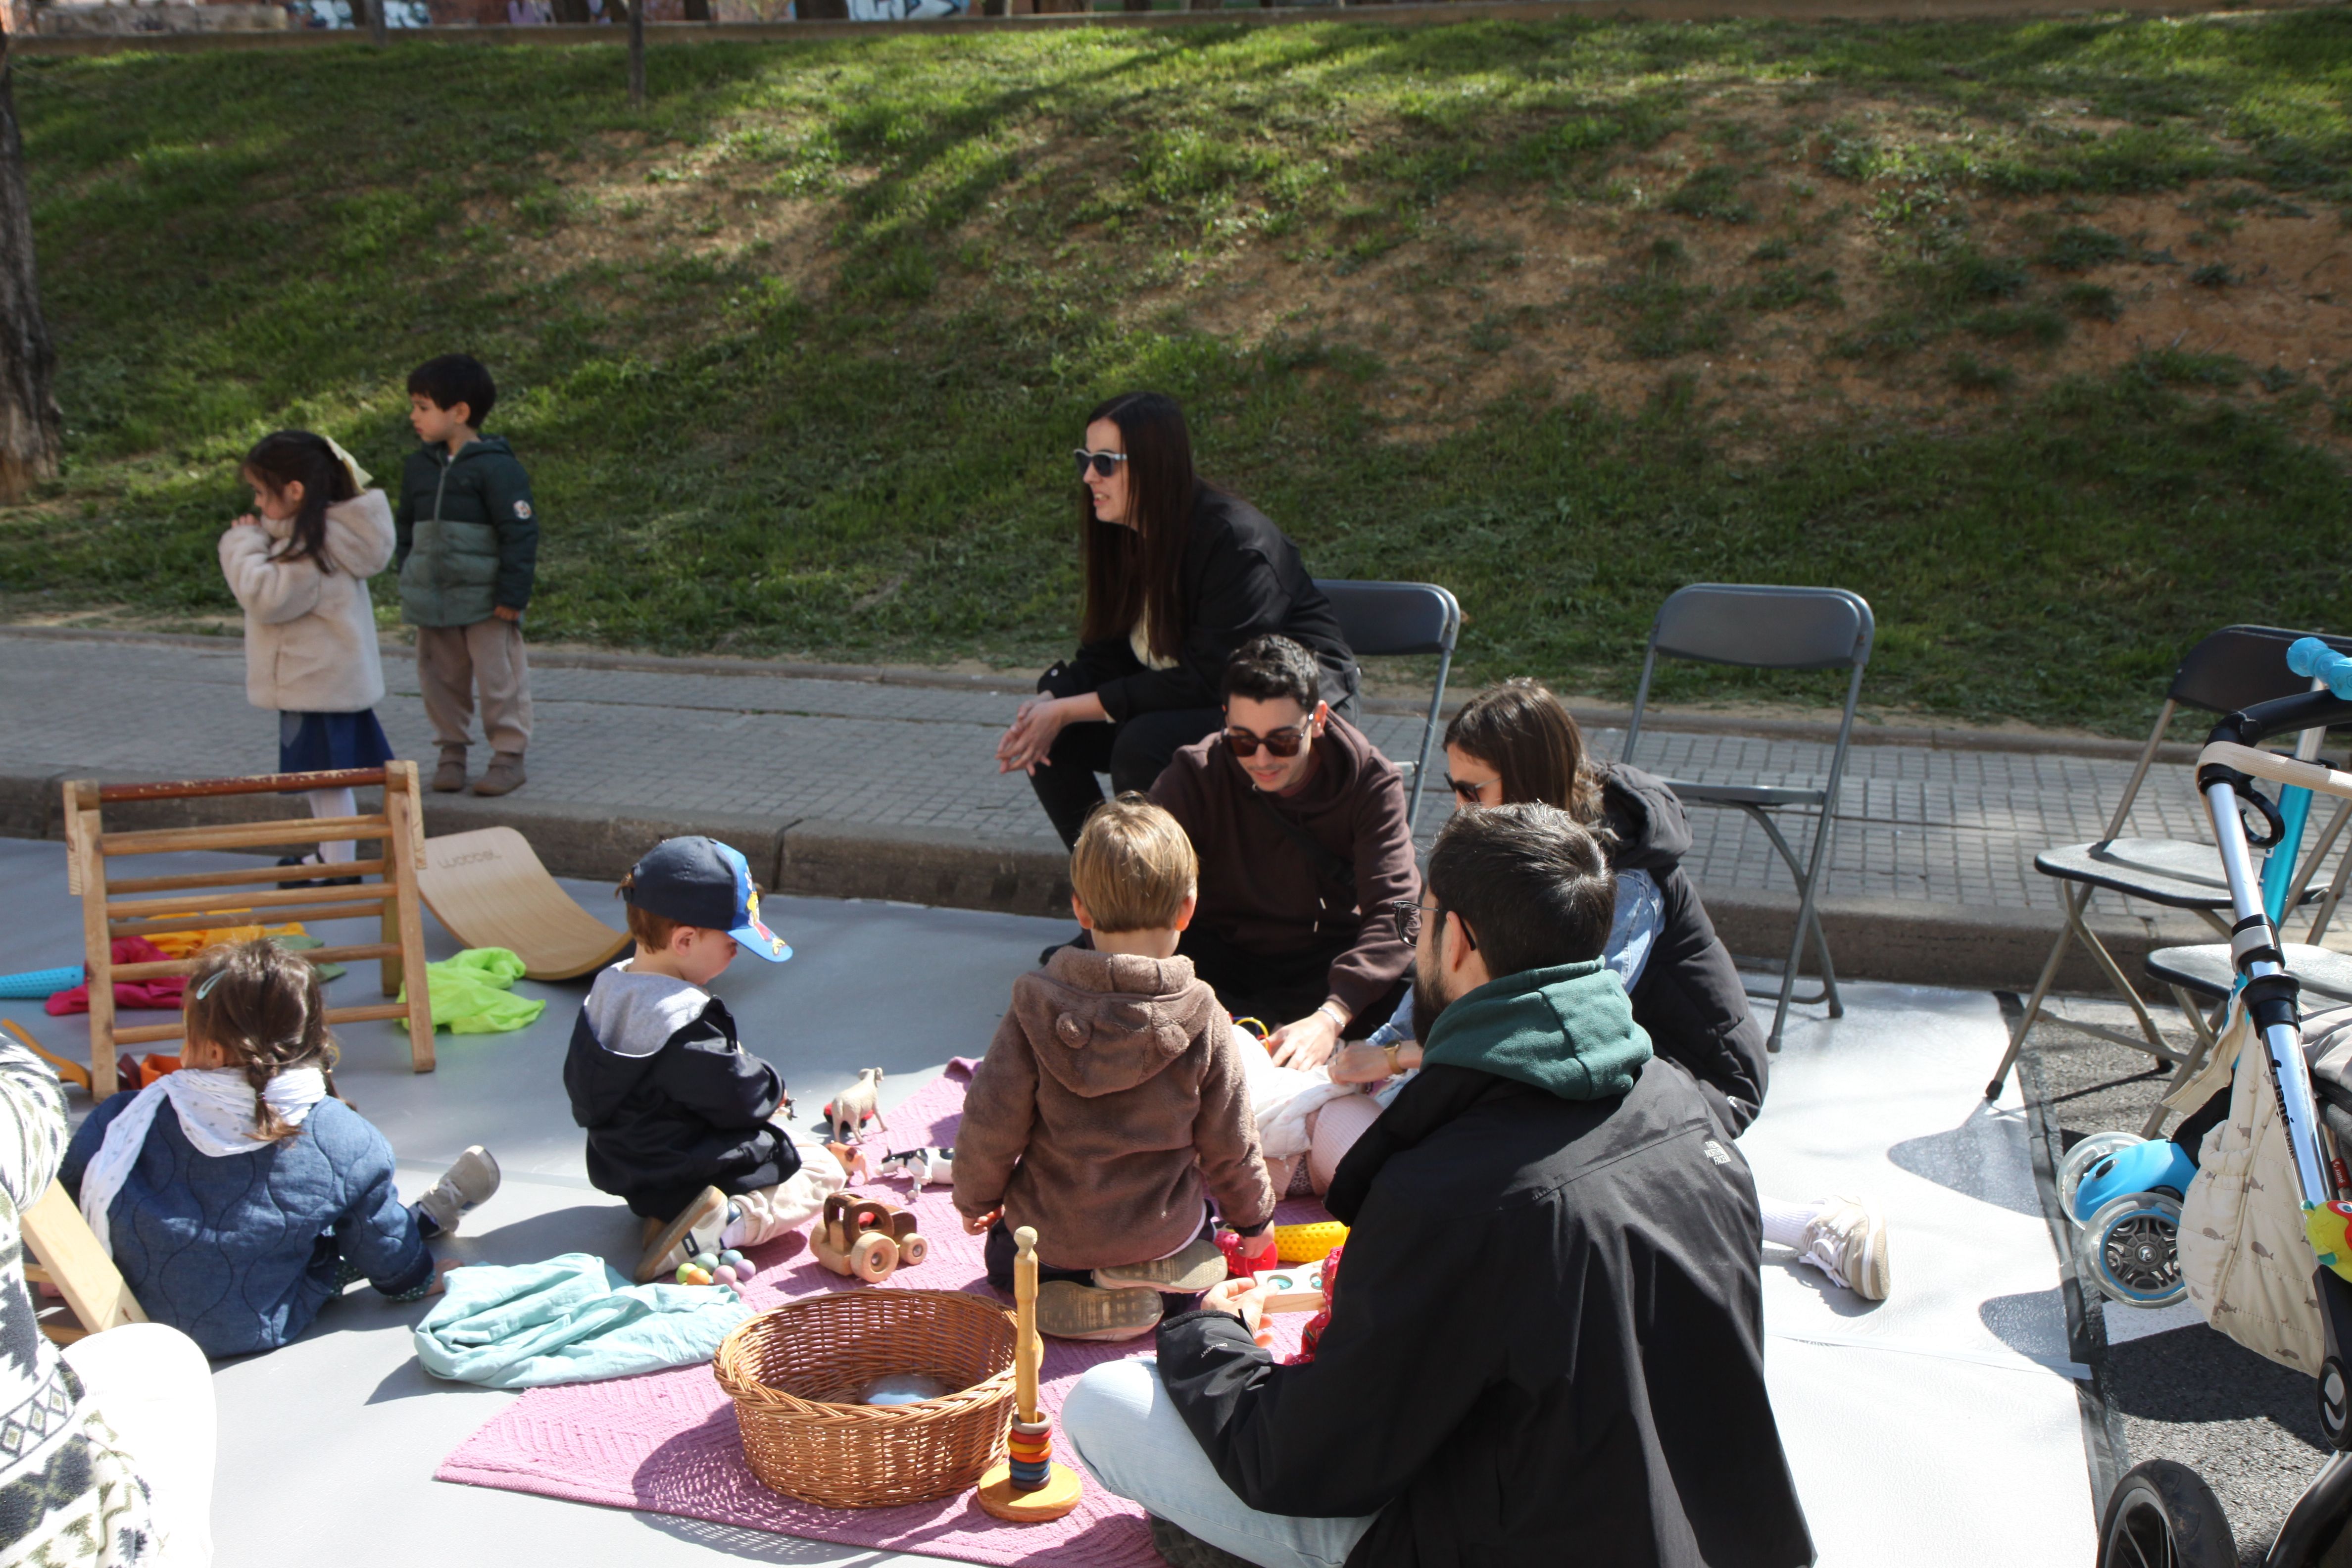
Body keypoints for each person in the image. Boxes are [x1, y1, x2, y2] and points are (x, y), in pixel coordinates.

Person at [1060, 805, 1815, 1568]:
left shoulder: (1456, 1189)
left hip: (1513, 1536)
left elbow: (1308, 1459)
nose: (1413, 941)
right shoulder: (1686, 1104)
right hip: (1710, 1531)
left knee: (1105, 1404)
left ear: (1456, 940)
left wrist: (1208, 1336)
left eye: (1414, 920)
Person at [1327, 678, 1889, 1300]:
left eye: (1472, 790)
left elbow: (1567, 1029)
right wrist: (1373, 1048)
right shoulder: (1510, 856)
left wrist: (1395, 1059)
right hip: (1603, 1056)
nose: (1459, 807)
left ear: (1528, 779)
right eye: (1453, 788)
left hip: (1690, 1080)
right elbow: (1442, 964)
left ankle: (1810, 1223)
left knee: (1559, 1158)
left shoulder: (1614, 877)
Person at [60, 939, 502, 1359]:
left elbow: (68, 1193)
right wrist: (415, 1279)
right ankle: (427, 1218)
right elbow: (378, 1245)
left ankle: (425, 1217)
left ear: (212, 1052)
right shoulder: (347, 1138)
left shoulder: (125, 1117)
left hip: (126, 1314)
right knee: (338, 1228)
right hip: (257, 1319)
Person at [953, 795, 1276, 1342]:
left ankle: (1070, 1283)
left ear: (1081, 910)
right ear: (1187, 909)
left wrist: (976, 1199)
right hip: (1163, 1231)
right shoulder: (1204, 1014)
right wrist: (1256, 1223)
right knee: (1204, 1232)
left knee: (1007, 1255)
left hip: (1053, 1236)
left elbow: (990, 1119)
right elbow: (1231, 1139)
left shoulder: (1035, 1005)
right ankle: (1165, 1287)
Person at [996, 391, 1358, 848]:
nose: (1089, 475)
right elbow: (1106, 656)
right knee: (1055, 739)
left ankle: (1167, 903)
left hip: (1287, 706)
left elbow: (1217, 677)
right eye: (1085, 459)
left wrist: (1068, 707)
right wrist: (1050, 702)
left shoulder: (1234, 541)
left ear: (1153, 464)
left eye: (1105, 462)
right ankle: (1106, 895)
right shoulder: (1124, 536)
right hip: (1200, 695)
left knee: (1144, 743)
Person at [563, 835, 846, 1283]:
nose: (737, 954)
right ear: (686, 939)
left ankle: (674, 1221)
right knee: (821, 1167)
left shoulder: (608, 991)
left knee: (789, 1147)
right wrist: (772, 1086)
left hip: (629, 1170)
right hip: (681, 1169)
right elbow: (736, 1093)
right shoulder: (682, 1021)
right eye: (733, 943)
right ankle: (727, 1221)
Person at [1150, 634, 1417, 1071]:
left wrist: (1331, 1017)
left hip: (1324, 963)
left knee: (1412, 975)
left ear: (1318, 720)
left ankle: (1294, 1038)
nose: (1261, 758)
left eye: (1282, 741)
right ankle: (1234, 1028)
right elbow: (1130, 876)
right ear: (1225, 721)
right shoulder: (1194, 775)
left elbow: (1399, 913)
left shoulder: (1371, 782)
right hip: (1220, 961)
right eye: (1241, 740)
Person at [0, 1028, 216, 1565]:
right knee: (162, 1358)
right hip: (67, 1542)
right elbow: (35, 1094)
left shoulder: (130, 1114)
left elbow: (76, 1175)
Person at [219, 430, 396, 884]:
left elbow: (264, 595)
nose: (258, 506)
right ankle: (331, 856)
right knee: (321, 778)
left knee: (325, 779)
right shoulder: (326, 537)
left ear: (294, 492)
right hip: (326, 683)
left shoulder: (311, 549)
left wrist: (242, 544)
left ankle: (337, 864)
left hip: (318, 686)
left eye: (262, 493)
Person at [395, 353, 539, 799]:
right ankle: (451, 752)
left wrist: (513, 593)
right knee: (440, 679)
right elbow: (405, 530)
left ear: (459, 412)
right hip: (433, 602)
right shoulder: (418, 467)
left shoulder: (497, 467)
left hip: (486, 602)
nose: (413, 416)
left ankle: (508, 756)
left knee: (500, 679)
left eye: (423, 407)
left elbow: (520, 532)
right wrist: (410, 575)